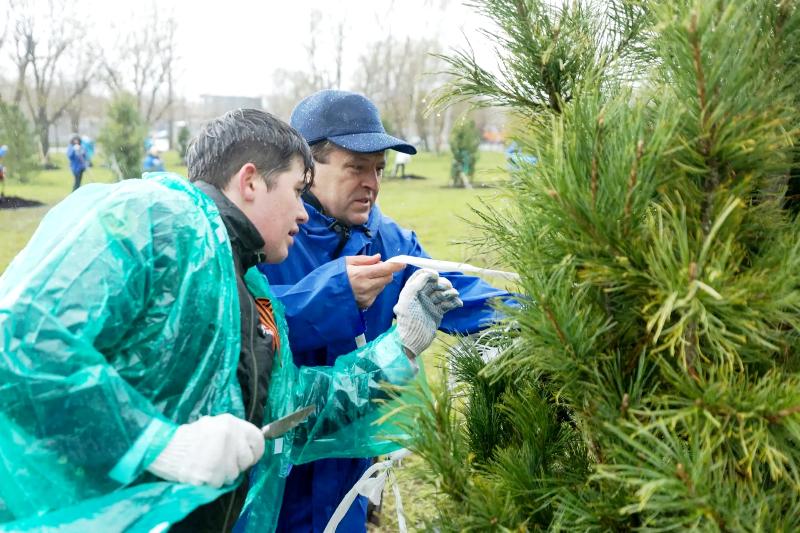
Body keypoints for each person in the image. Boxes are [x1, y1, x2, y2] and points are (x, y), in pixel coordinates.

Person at [0, 108, 460, 532]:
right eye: (297, 191)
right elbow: (21, 341)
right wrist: (157, 443)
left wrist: (400, 345)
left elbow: (293, 409)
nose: (303, 212)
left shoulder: (249, 285)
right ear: (251, 182)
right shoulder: (155, 220)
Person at [258, 90, 514, 533]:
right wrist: (333, 295)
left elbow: (463, 295)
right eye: (356, 168)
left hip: (350, 472)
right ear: (306, 168)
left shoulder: (389, 244)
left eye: (378, 168)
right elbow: (243, 327)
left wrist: (539, 317)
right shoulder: (268, 238)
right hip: (274, 474)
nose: (372, 183)